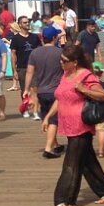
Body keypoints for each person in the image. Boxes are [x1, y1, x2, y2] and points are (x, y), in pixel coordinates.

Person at [41, 42, 104, 206]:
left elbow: (102, 95)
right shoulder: (65, 75)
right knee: (87, 161)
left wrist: (84, 89)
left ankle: (65, 200)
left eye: (64, 61)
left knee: (71, 164)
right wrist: (47, 116)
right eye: (61, 60)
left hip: (81, 125)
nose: (61, 63)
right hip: (68, 125)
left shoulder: (86, 75)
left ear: (74, 62)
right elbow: (60, 98)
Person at [27, 26, 66, 158]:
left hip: (41, 91)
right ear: (54, 38)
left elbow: (29, 72)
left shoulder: (35, 53)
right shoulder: (60, 52)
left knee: (46, 118)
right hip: (55, 90)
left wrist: (26, 89)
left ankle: (55, 145)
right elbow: (67, 70)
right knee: (54, 120)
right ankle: (48, 149)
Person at [9, 14, 42, 99]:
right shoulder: (15, 38)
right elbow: (13, 55)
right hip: (22, 68)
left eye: (28, 22)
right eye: (25, 22)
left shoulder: (34, 37)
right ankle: (26, 106)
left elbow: (40, 51)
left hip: (35, 67)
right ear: (20, 25)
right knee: (25, 91)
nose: (27, 24)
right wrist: (14, 71)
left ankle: (35, 107)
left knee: (35, 89)